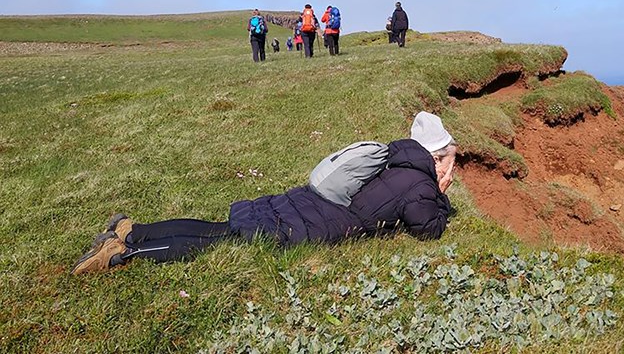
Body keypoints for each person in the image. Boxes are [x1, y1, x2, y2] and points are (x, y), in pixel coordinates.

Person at [70, 112, 457, 274]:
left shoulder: (395, 157)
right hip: (317, 222)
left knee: (220, 229)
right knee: (219, 244)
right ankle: (123, 252)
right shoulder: (420, 182)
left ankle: (132, 230)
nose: (452, 169)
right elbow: (426, 228)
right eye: (450, 161)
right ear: (437, 157)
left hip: (306, 201)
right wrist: (440, 196)